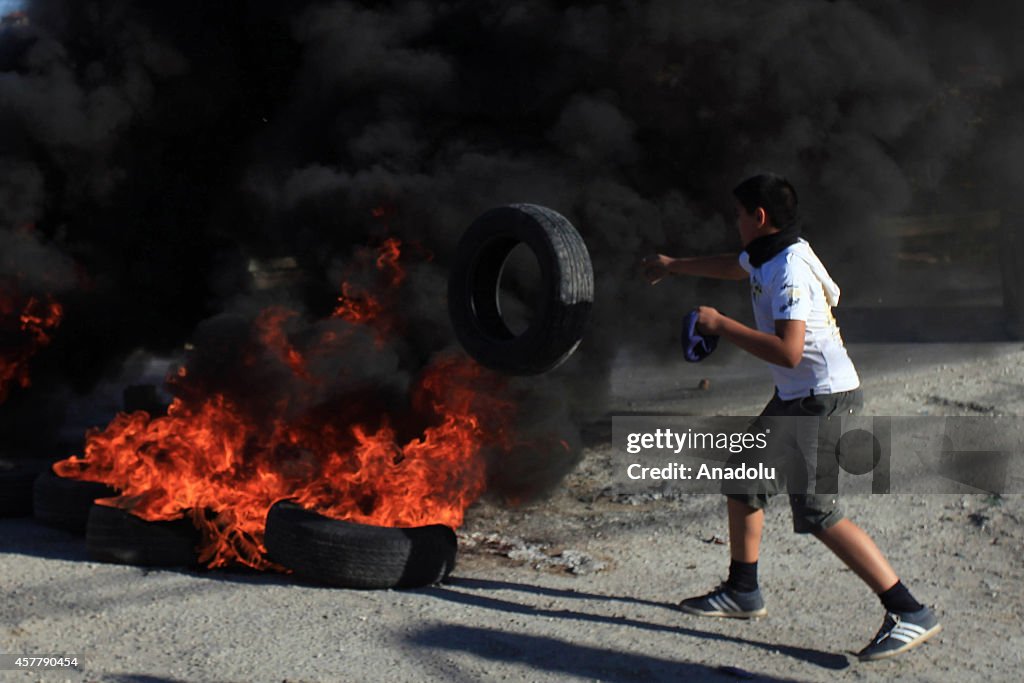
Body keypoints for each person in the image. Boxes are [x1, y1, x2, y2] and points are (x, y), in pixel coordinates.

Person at [640, 173, 941, 662]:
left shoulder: (789, 269)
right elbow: (734, 266)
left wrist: (721, 324)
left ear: (758, 217)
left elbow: (788, 351)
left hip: (822, 400)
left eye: (738, 215)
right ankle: (743, 591)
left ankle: (909, 610)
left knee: (818, 511)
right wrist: (675, 266)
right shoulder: (768, 252)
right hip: (798, 398)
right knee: (743, 478)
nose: (734, 223)